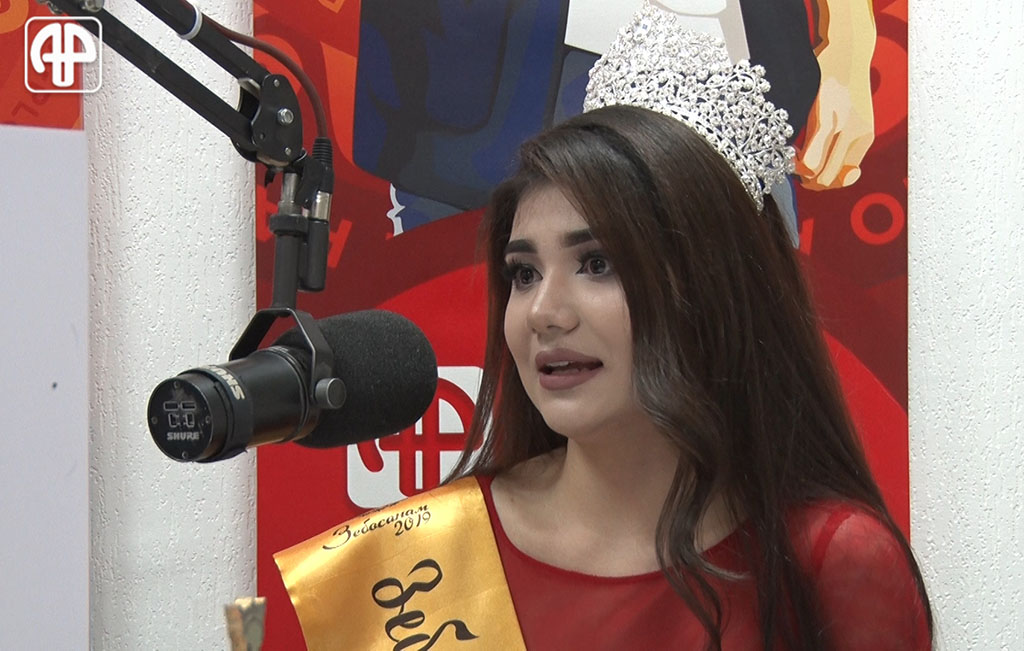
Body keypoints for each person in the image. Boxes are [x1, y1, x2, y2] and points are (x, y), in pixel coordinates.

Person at [276, 5, 931, 650]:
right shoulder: (417, 562)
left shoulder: (832, 563)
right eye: (524, 273)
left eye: (597, 263)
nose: (545, 312)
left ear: (709, 285)